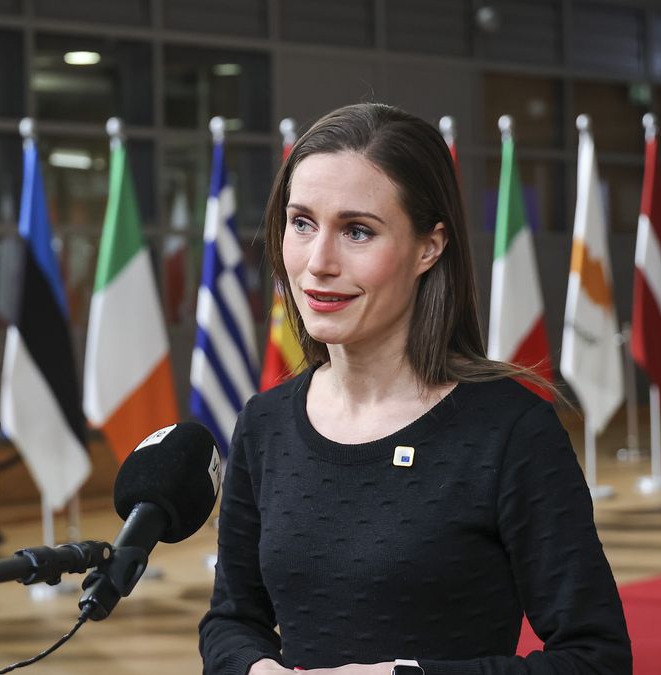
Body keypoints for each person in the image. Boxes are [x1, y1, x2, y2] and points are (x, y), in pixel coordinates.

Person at [198, 104, 631, 675]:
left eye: (357, 231)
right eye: (301, 223)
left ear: (429, 247)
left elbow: (596, 658)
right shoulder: (265, 422)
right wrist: (255, 671)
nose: (317, 263)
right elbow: (232, 621)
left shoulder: (509, 431)